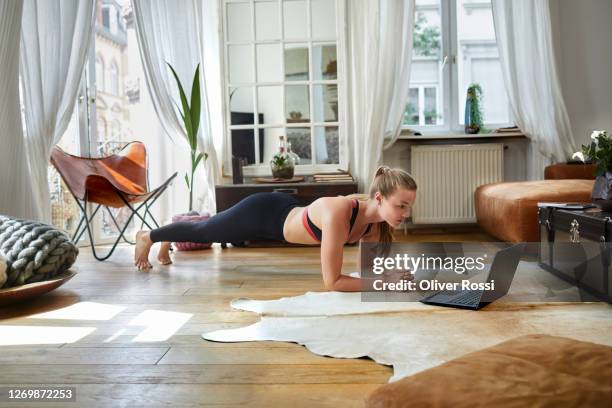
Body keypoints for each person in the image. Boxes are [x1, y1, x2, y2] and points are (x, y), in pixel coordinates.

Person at [134, 166, 417, 292]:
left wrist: (392, 277)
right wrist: (386, 282)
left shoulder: (375, 223)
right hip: (263, 214)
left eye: (408, 207)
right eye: (401, 206)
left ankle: (165, 238)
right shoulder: (339, 213)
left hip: (285, 207)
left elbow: (367, 276)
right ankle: (148, 236)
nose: (405, 214)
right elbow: (334, 283)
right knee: (208, 231)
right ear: (379, 198)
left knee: (209, 226)